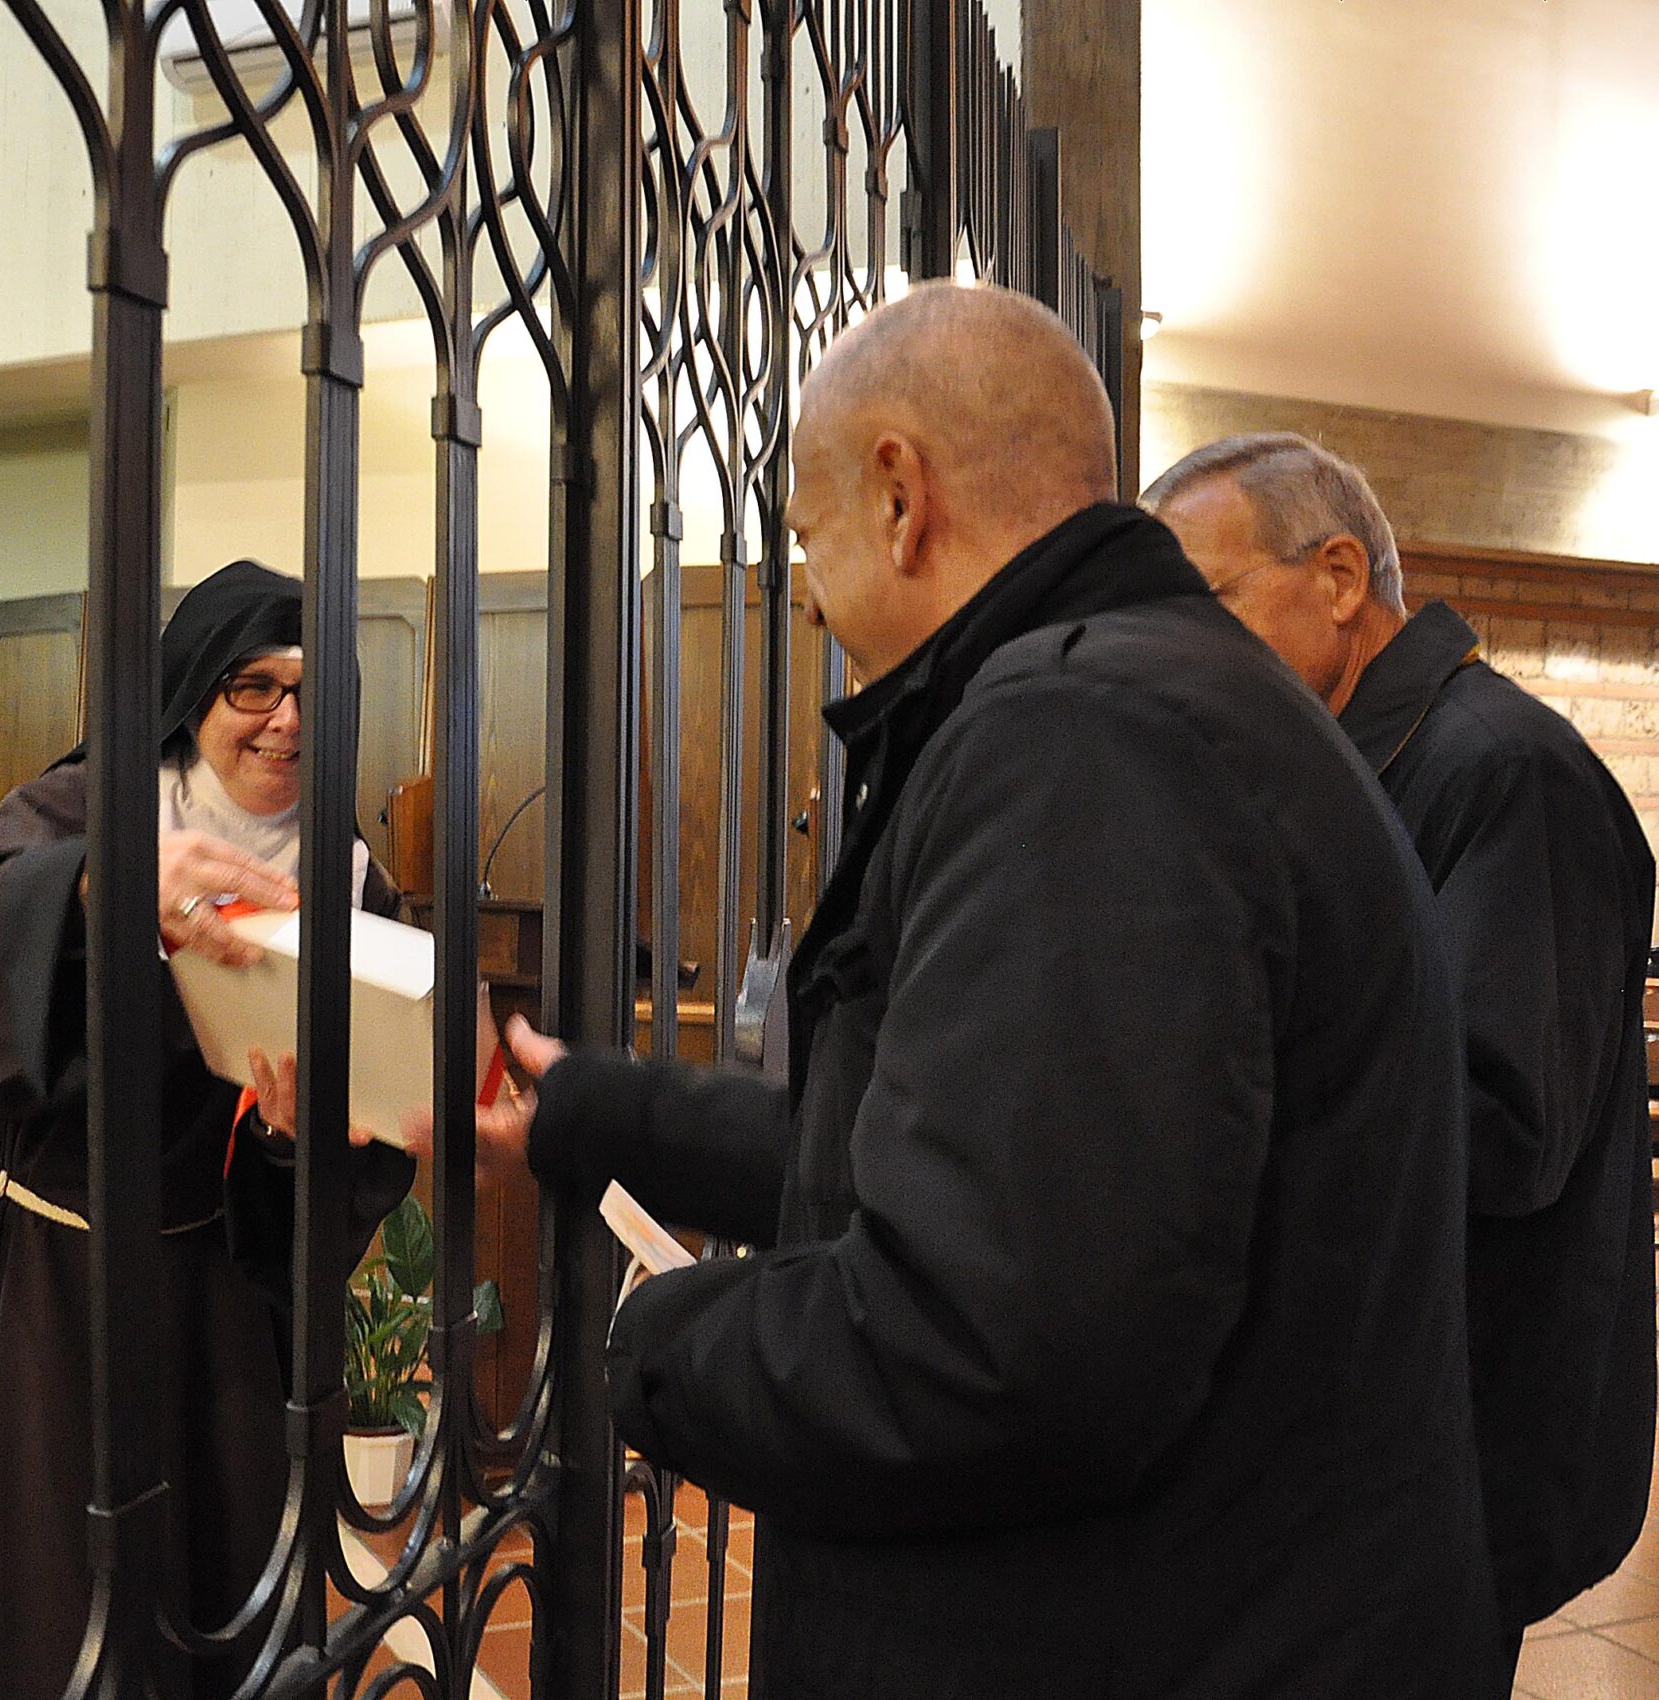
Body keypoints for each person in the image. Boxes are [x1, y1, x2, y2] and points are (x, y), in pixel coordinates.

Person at [433, 284, 1498, 1693]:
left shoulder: (1084, 738)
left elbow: (998, 1342)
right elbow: (941, 1151)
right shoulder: (1157, 702)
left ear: (899, 497)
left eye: (804, 536)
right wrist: (585, 1113)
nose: (807, 590)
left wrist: (650, 1346)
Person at [1146, 432, 1657, 1684]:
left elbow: (1502, 1126)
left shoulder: (1504, 770)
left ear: (1337, 576)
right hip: (1362, 1439)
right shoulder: (1356, 764)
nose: (1180, 648)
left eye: (1205, 601)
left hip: (1452, 1448)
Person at [0, 560, 412, 1699]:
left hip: (214, 1274)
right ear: (194, 693)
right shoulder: (97, 805)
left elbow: (358, 1137)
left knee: (208, 1572)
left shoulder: (349, 878)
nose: (285, 719)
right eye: (253, 686)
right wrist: (105, 883)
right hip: (46, 1253)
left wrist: (294, 1140)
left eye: (311, 691)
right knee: (46, 1576)